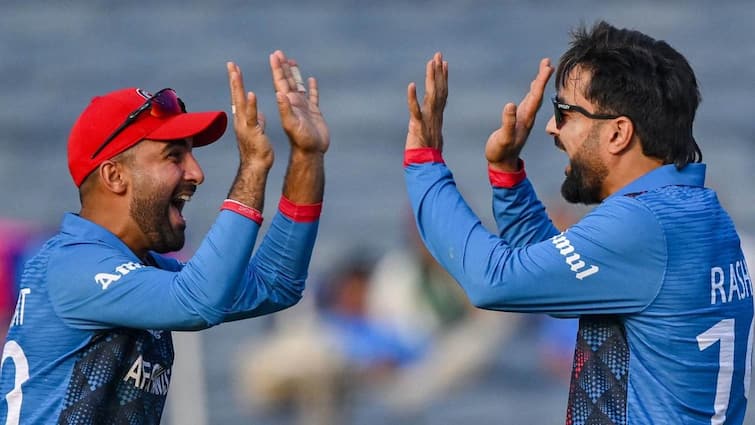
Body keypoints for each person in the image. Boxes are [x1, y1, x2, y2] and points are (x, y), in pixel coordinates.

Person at [403, 21, 752, 425]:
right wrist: (507, 175)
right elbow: (548, 276)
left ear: (618, 133)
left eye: (564, 112)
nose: (551, 127)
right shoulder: (700, 216)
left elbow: (493, 280)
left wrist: (424, 162)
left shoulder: (643, 225)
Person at [0, 49, 329, 424]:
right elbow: (198, 301)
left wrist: (306, 157)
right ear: (114, 176)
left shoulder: (140, 272)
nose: (197, 173)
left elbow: (276, 283)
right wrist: (252, 167)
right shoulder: (73, 266)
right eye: (174, 156)